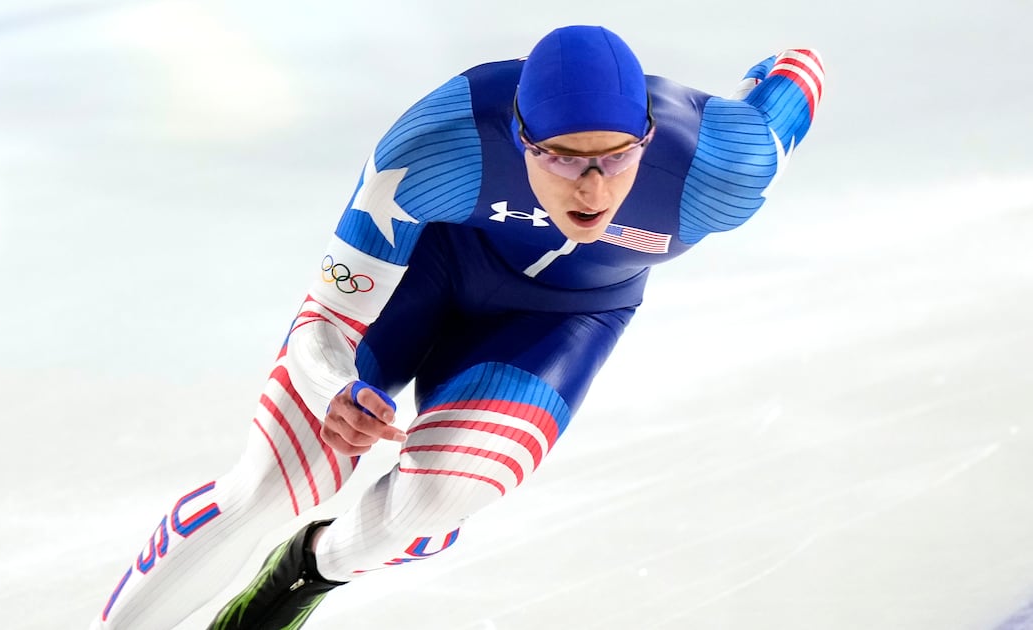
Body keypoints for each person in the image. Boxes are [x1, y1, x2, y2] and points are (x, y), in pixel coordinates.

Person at [89, 25, 825, 630]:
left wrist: (770, 70)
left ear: (649, 135)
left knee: (442, 494)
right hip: (424, 277)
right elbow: (326, 319)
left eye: (617, 158)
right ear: (517, 135)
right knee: (278, 482)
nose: (593, 188)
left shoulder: (722, 167)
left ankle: (305, 572)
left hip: (563, 317)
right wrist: (339, 387)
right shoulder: (439, 143)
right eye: (561, 160)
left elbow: (797, 72)